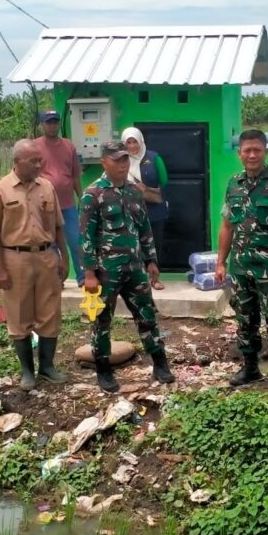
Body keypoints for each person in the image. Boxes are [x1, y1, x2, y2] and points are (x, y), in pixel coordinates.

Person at [79, 140, 175, 393]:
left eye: (124, 160)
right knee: (102, 321)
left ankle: (160, 364)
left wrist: (151, 260)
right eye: (116, 160)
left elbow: (144, 228)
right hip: (105, 271)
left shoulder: (134, 191)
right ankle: (103, 369)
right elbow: (86, 237)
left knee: (147, 316)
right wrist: (89, 274)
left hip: (134, 269)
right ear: (104, 162)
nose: (122, 164)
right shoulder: (93, 194)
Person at [214, 129, 268, 390]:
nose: (252, 155)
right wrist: (221, 261)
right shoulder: (233, 184)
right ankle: (250, 367)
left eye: (257, 150)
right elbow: (227, 226)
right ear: (239, 154)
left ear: (266, 151)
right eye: (246, 150)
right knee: (245, 318)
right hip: (241, 267)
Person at [0, 139, 69, 389]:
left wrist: (65, 258)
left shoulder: (47, 187)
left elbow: (58, 227)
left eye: (40, 160)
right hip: (14, 259)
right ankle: (27, 372)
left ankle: (47, 368)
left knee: (50, 312)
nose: (39, 165)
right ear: (17, 162)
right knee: (19, 315)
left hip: (45, 257)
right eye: (34, 161)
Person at [33, 109, 84, 285]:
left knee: (76, 242)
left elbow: (75, 175)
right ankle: (57, 279)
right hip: (44, 207)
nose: (52, 125)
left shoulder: (69, 146)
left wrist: (82, 198)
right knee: (51, 245)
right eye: (48, 122)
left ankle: (82, 278)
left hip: (68, 205)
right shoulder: (34, 147)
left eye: (55, 122)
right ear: (42, 124)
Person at [120, 126, 170, 259]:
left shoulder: (154, 158)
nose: (132, 146)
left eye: (135, 141)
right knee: (133, 248)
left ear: (141, 141)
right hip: (130, 211)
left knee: (154, 247)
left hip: (154, 211)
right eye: (128, 142)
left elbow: (164, 182)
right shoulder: (120, 159)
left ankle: (154, 276)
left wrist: (146, 189)